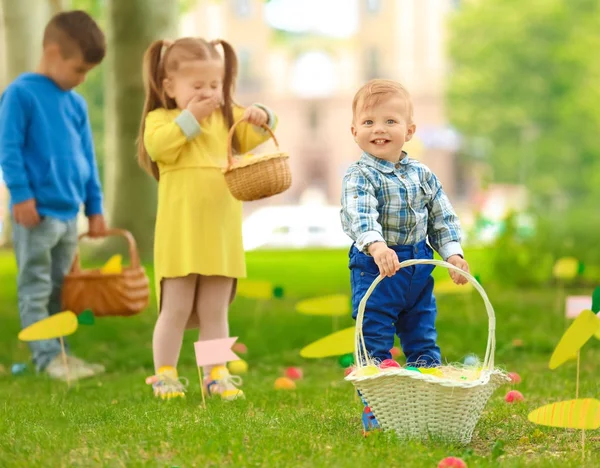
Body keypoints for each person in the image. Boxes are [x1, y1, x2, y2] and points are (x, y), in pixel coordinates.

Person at [137, 37, 278, 400]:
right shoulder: (161, 119)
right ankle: (165, 374)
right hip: (180, 232)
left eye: (214, 86)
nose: (207, 94)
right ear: (169, 87)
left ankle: (216, 373)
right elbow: (159, 147)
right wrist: (191, 117)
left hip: (220, 230)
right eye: (196, 86)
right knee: (176, 307)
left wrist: (262, 114)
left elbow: (253, 134)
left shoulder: (226, 118)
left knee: (215, 309)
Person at [340, 79, 470, 432]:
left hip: (417, 268)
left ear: (409, 130)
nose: (378, 129)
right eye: (368, 123)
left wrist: (453, 255)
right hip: (376, 268)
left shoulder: (423, 174)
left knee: (422, 335)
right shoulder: (359, 175)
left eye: (390, 122)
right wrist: (377, 245)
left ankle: (427, 402)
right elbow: (359, 215)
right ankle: (377, 411)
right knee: (375, 337)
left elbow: (442, 218)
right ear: (354, 131)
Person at [0, 10, 108, 381]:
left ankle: (61, 354)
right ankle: (46, 358)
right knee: (36, 286)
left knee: (63, 292)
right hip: (36, 214)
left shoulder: (76, 104)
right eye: (79, 69)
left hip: (67, 215)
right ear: (52, 53)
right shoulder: (20, 94)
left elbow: (87, 159)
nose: (82, 79)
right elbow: (9, 149)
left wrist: (94, 207)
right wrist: (21, 195)